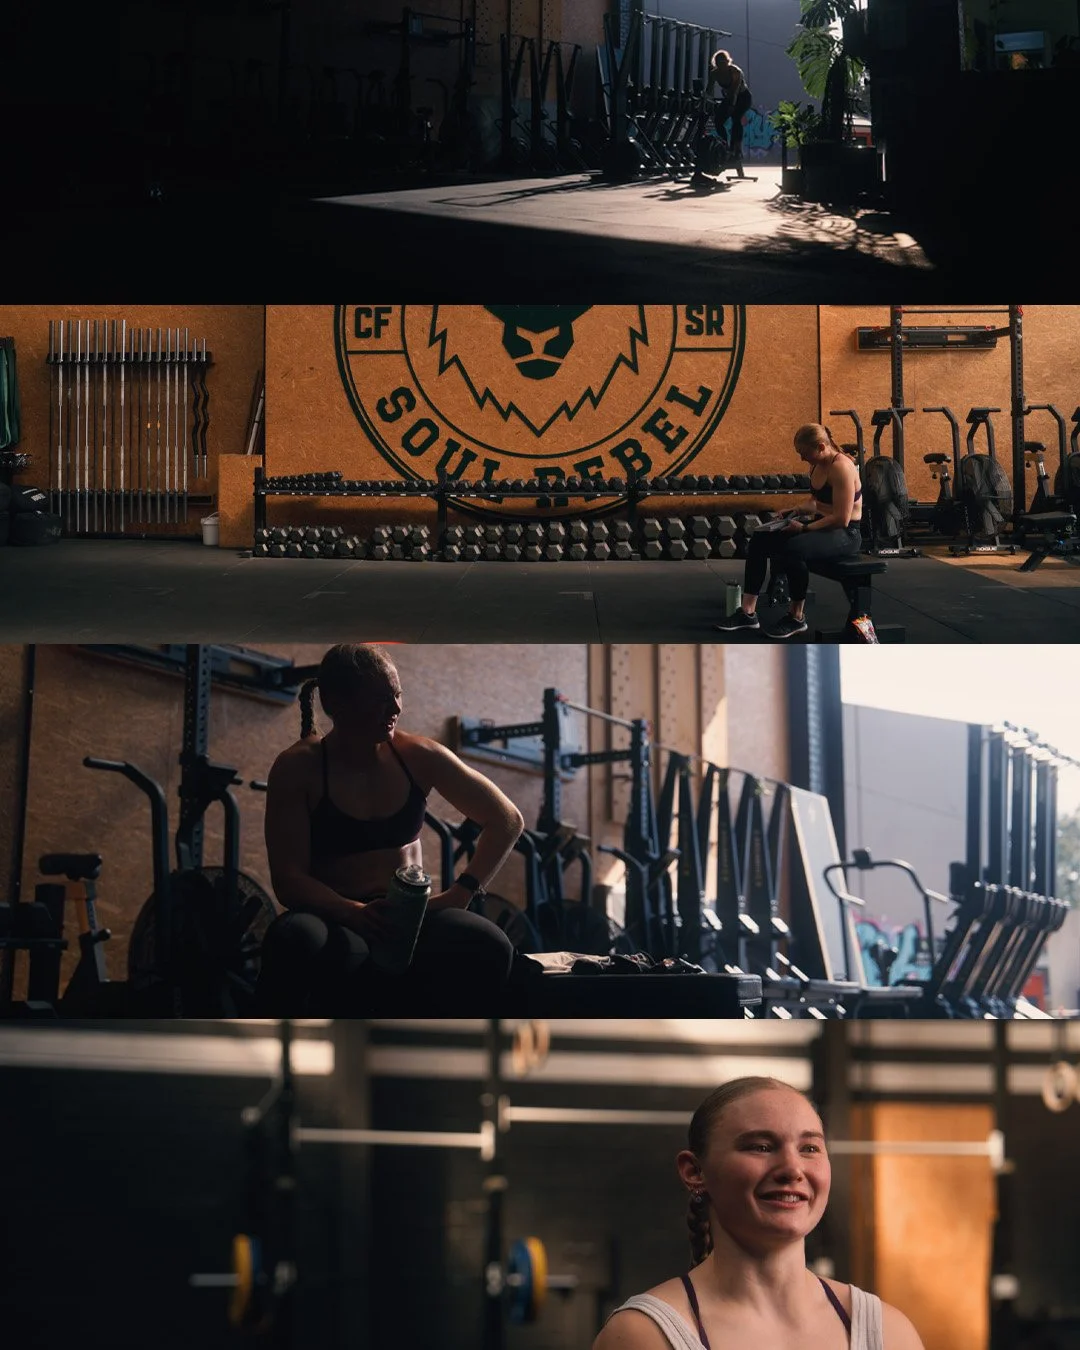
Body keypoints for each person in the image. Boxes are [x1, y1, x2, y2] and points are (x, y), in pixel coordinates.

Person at [254, 643, 526, 1013]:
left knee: (488, 945)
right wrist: (351, 912)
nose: (396, 709)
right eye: (381, 699)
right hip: (333, 913)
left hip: (408, 916)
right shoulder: (298, 767)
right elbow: (288, 880)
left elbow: (507, 819)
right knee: (293, 940)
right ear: (338, 704)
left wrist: (462, 892)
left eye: (397, 695)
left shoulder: (418, 756)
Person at [594, 1077, 926, 1350]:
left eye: (809, 1148)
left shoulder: (886, 1332)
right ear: (695, 1171)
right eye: (761, 1147)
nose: (792, 1169)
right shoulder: (644, 1335)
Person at [715, 423, 864, 640]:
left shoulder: (841, 467)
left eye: (805, 454)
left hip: (846, 534)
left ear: (822, 447)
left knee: (793, 549)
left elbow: (841, 518)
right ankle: (748, 613)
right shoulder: (816, 465)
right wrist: (794, 511)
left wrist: (804, 527)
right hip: (822, 526)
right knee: (760, 538)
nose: (802, 459)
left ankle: (796, 617)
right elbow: (817, 502)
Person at [692, 50, 753, 180]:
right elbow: (709, 89)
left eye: (724, 62)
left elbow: (735, 92)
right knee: (718, 121)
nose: (722, 65)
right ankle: (725, 144)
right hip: (729, 96)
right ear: (716, 64)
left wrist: (731, 106)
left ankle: (736, 148)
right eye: (719, 63)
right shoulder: (714, 74)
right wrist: (704, 98)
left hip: (743, 97)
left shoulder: (735, 71)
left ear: (728, 61)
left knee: (736, 118)